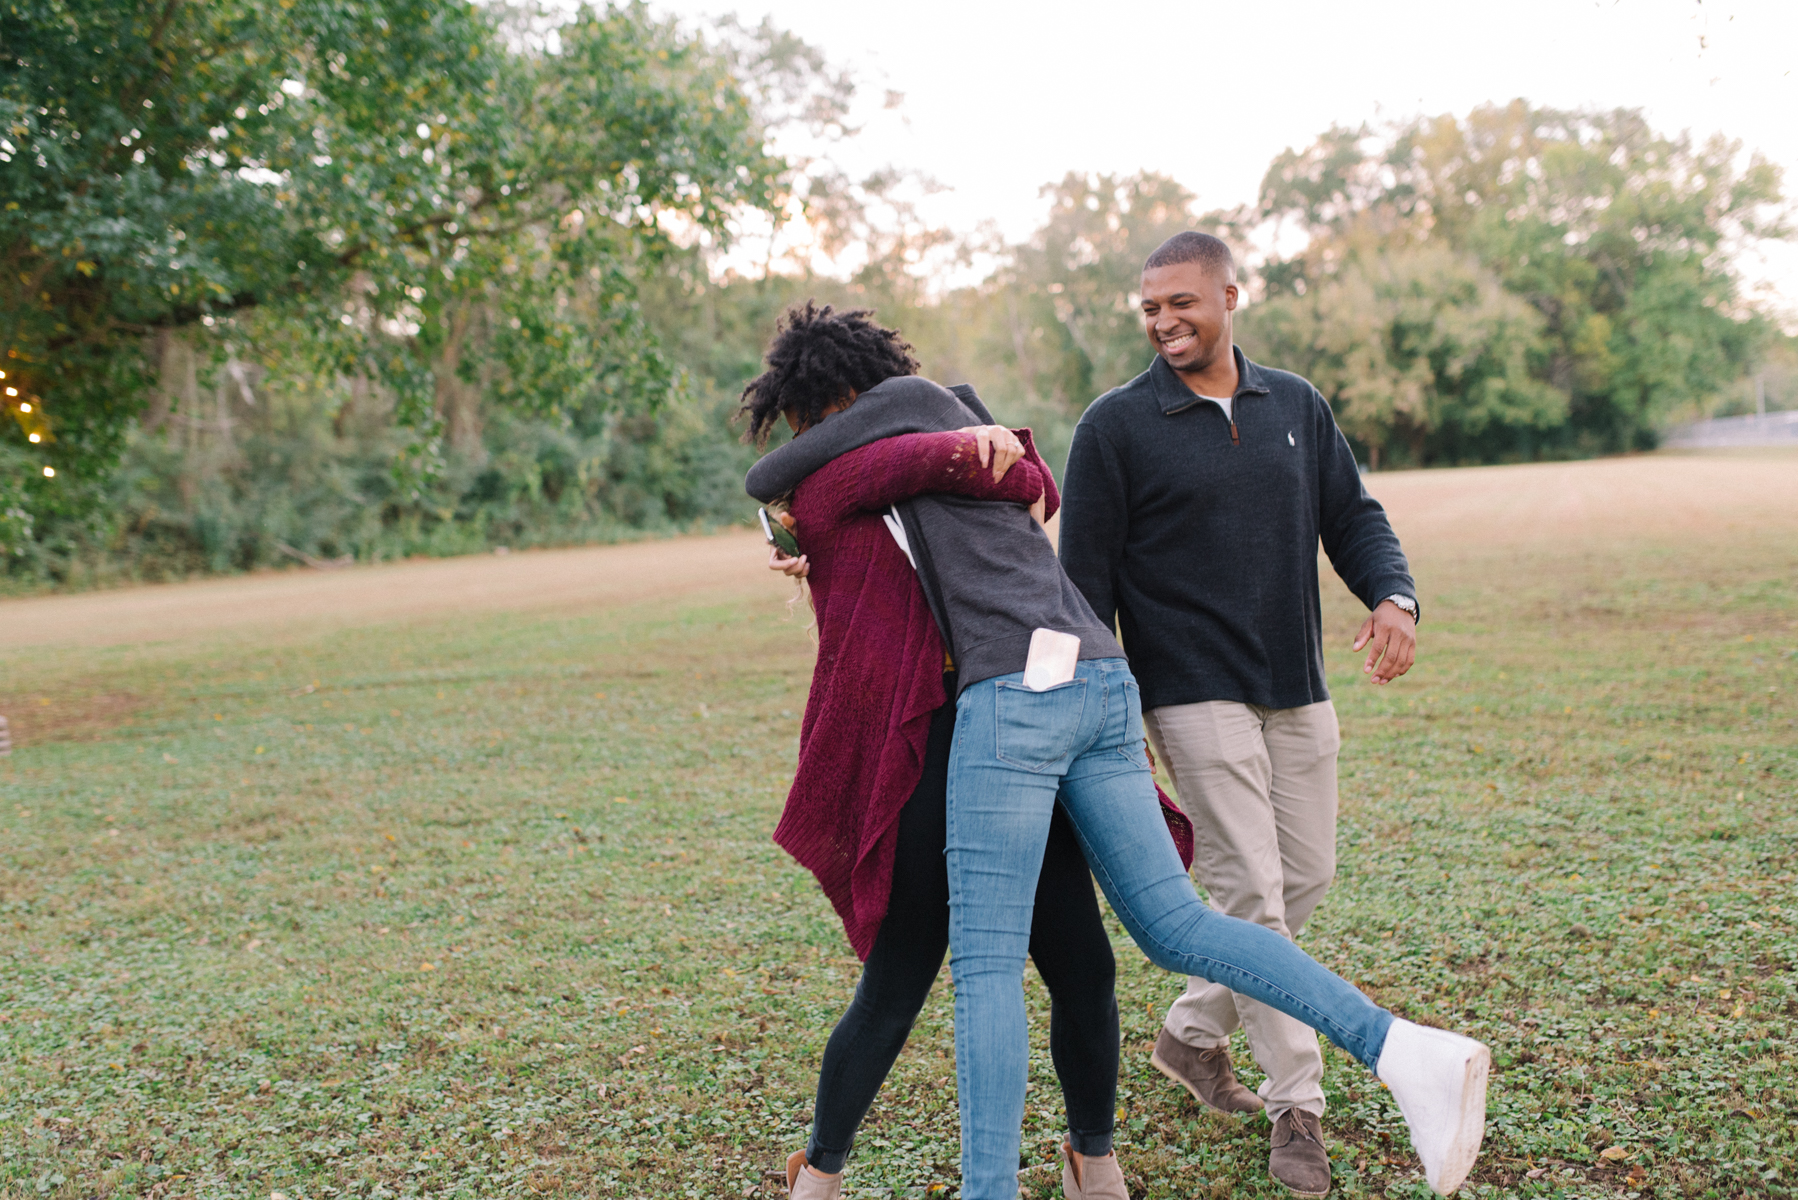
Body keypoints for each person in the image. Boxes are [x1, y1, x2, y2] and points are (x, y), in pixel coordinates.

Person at [744, 306, 1491, 1200]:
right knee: (1177, 926)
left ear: (833, 408)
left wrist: (907, 453)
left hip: (1012, 704)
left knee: (987, 973)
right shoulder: (958, 448)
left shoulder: (866, 465)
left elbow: (783, 474)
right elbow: (1001, 474)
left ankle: (1006, 1183)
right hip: (1101, 678)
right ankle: (1406, 1050)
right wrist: (969, 438)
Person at [744, 303, 1176, 1200]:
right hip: (919, 746)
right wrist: (970, 443)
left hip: (1012, 719)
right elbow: (922, 468)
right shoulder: (830, 487)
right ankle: (819, 1171)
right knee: (902, 972)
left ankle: (1091, 1154)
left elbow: (1035, 488)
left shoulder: (935, 448)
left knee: (1081, 960)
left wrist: (989, 443)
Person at [1057, 230, 1422, 1196]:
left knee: (1306, 873)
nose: (1165, 322)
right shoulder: (1114, 427)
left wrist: (1393, 596)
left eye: (1182, 303)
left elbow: (1352, 517)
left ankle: (1189, 1033)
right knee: (1253, 893)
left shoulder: (1294, 404)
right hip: (1188, 693)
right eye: (1150, 308)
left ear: (1229, 295)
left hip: (1296, 681)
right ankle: (1298, 1105)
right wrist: (1105, 706)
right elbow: (1082, 583)